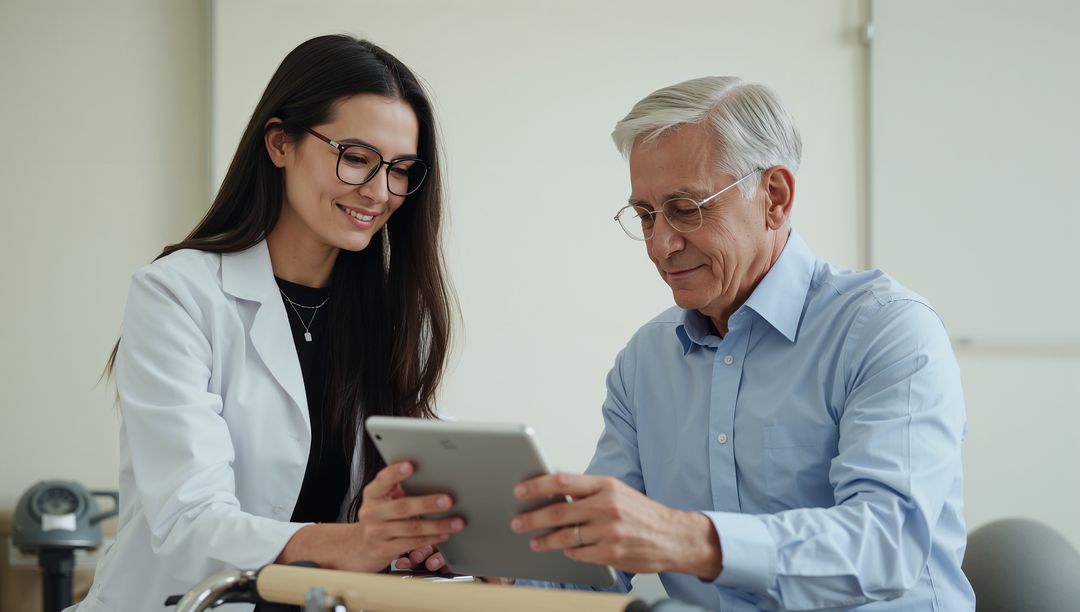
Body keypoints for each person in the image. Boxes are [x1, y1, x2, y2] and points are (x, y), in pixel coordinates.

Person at [508, 77, 975, 610]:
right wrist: (492, 565)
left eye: (686, 208)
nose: (661, 245)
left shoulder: (887, 329)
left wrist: (686, 537)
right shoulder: (645, 361)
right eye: (644, 215)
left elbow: (885, 547)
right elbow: (603, 556)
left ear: (774, 197)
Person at [74, 35, 463, 611]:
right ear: (280, 143)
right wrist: (353, 544)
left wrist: (414, 541)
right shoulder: (179, 293)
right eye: (356, 157)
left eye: (401, 169)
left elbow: (382, 506)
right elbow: (189, 522)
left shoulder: (395, 315)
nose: (380, 192)